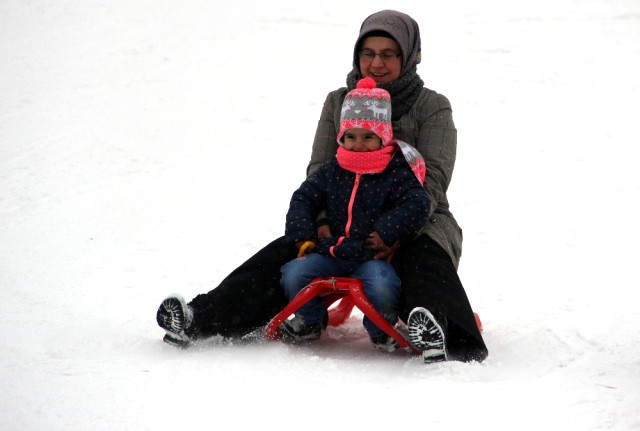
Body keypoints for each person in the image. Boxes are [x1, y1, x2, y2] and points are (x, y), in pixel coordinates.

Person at [156, 9, 488, 363]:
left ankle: (447, 336)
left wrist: (395, 232)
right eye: (368, 53)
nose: (377, 63)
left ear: (408, 57)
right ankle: (201, 318)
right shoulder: (338, 100)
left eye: (389, 54)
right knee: (285, 253)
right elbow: (319, 170)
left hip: (417, 217)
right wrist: (321, 222)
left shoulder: (431, 106)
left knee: (422, 259)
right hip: (341, 218)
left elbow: (433, 181)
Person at [279, 77, 430, 352]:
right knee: (294, 272)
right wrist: (304, 236)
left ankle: (381, 327)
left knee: (383, 284)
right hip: (332, 252)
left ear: (383, 136)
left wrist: (386, 231)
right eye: (351, 137)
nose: (358, 145)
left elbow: (418, 203)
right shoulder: (333, 168)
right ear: (342, 137)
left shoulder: (395, 170)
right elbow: (303, 197)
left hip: (370, 255)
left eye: (368, 137)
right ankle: (309, 321)